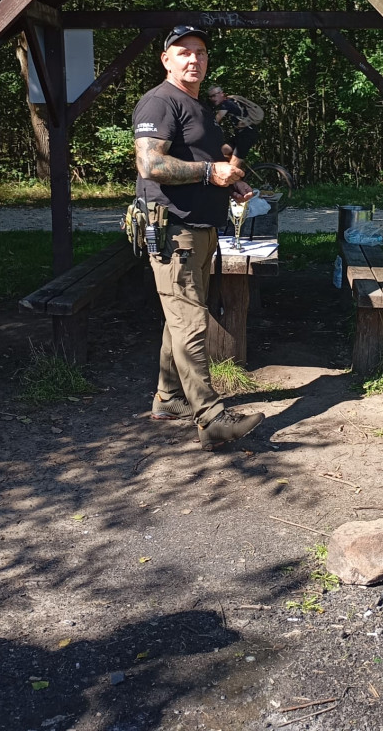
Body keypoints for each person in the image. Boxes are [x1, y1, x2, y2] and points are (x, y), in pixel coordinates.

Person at [133, 25, 264, 448]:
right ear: (166, 59)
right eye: (184, 52)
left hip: (200, 227)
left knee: (182, 316)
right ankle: (212, 419)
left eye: (201, 52)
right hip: (174, 230)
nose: (194, 59)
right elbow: (150, 165)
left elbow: (205, 157)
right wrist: (210, 172)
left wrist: (231, 180)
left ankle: (169, 397)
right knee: (190, 321)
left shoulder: (197, 106)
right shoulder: (160, 101)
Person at [207, 84, 261, 161]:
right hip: (240, 135)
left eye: (213, 96)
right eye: (210, 97)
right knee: (221, 152)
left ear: (221, 94)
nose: (212, 99)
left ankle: (236, 166)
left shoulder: (226, 104)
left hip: (247, 135)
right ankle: (240, 168)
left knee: (234, 162)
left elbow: (216, 121)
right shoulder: (230, 101)